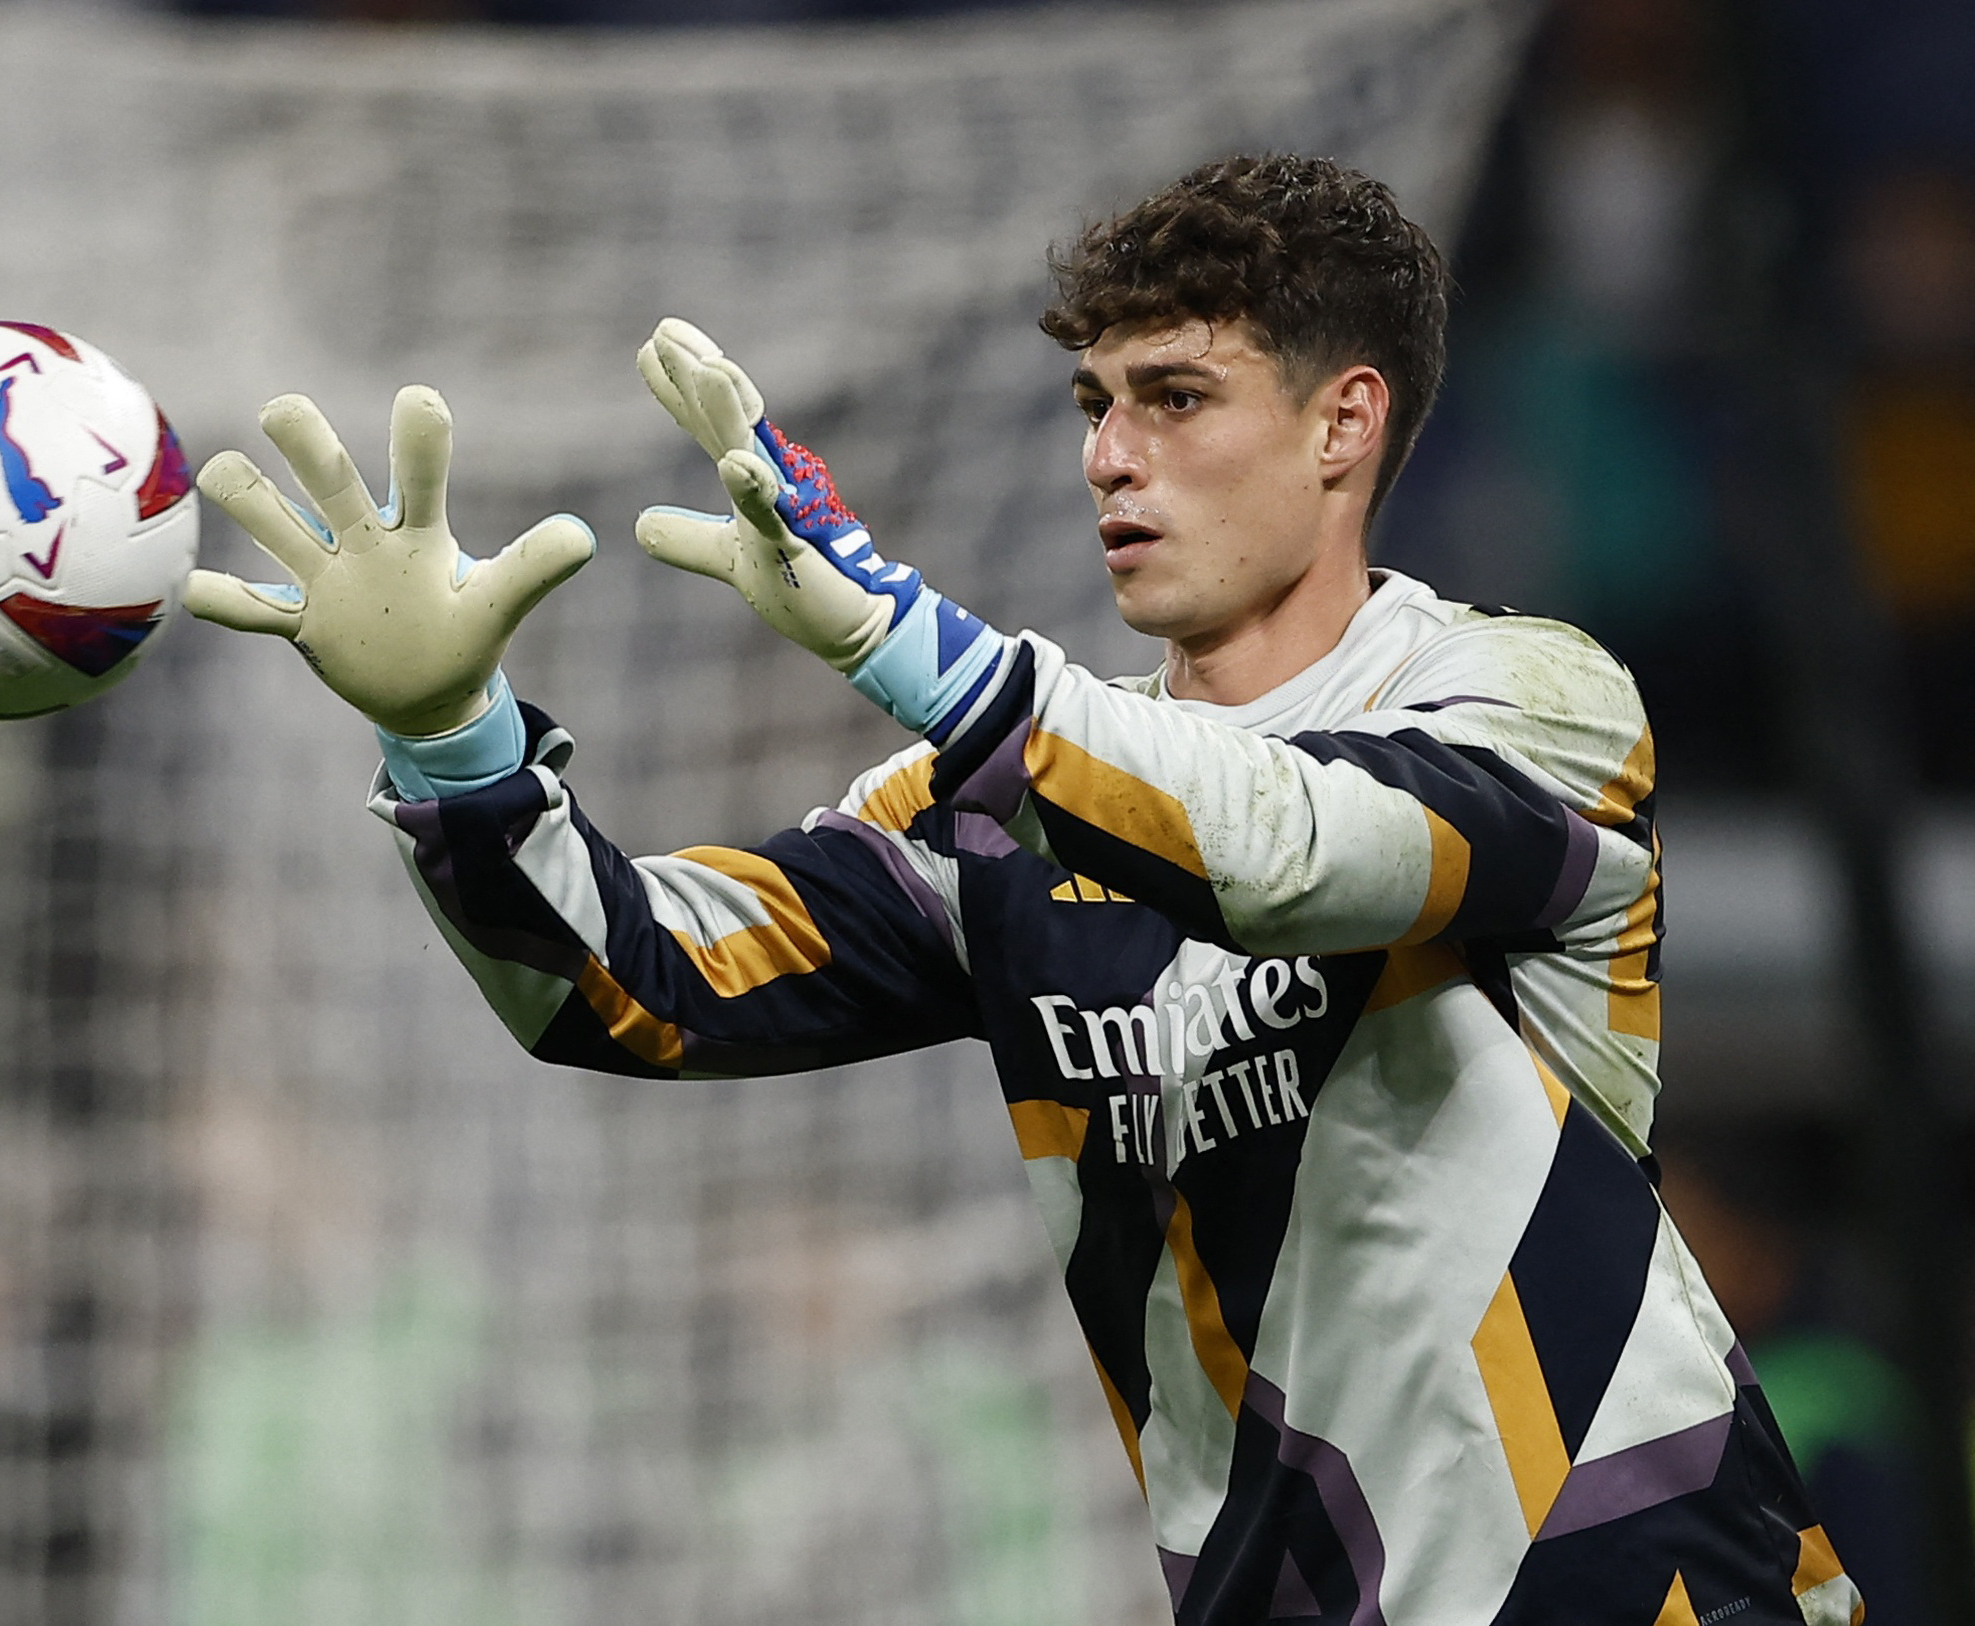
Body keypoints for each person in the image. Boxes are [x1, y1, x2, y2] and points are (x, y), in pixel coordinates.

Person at [182, 155, 1860, 1625]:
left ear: (1344, 421)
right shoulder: (991, 810)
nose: (1111, 458)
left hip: (1641, 1584)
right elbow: (629, 988)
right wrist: (455, 749)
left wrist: (914, 646)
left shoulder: (1532, 707)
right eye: (1093, 405)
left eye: (1177, 398)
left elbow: (1284, 854)